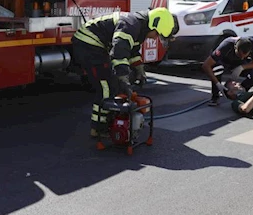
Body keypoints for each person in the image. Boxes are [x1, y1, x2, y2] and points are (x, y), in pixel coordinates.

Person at [71, 8, 178, 138]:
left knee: (112, 84)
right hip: (87, 44)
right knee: (106, 86)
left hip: (97, 46)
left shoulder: (140, 28)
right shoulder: (131, 25)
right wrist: (123, 77)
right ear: (153, 25)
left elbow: (132, 51)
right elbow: (119, 53)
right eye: (157, 34)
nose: (155, 38)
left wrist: (139, 69)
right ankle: (98, 128)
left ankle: (110, 121)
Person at [202, 36, 253, 106]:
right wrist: (217, 83)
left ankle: (241, 94)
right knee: (217, 68)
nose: (242, 57)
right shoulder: (225, 46)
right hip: (225, 61)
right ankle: (215, 96)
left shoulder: (252, 45)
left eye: (245, 56)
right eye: (239, 54)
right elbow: (206, 65)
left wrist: (242, 67)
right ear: (235, 48)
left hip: (239, 64)